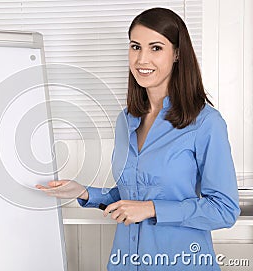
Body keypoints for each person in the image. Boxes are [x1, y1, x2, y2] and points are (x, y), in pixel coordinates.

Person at [36, 7, 240, 271]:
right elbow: (131, 197)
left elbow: (224, 209)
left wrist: (153, 209)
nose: (142, 59)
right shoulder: (126, 120)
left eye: (156, 48)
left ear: (177, 54)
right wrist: (85, 192)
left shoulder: (205, 122)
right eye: (135, 47)